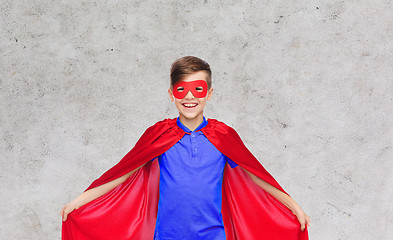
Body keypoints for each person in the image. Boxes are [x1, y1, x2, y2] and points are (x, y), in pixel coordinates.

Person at [61, 56, 310, 240]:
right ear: (172, 94)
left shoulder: (223, 136)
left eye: (197, 90)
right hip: (167, 234)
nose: (189, 97)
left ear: (209, 94)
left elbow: (257, 175)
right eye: (182, 90)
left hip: (213, 234)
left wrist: (294, 207)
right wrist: (79, 201)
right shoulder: (159, 135)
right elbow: (122, 172)